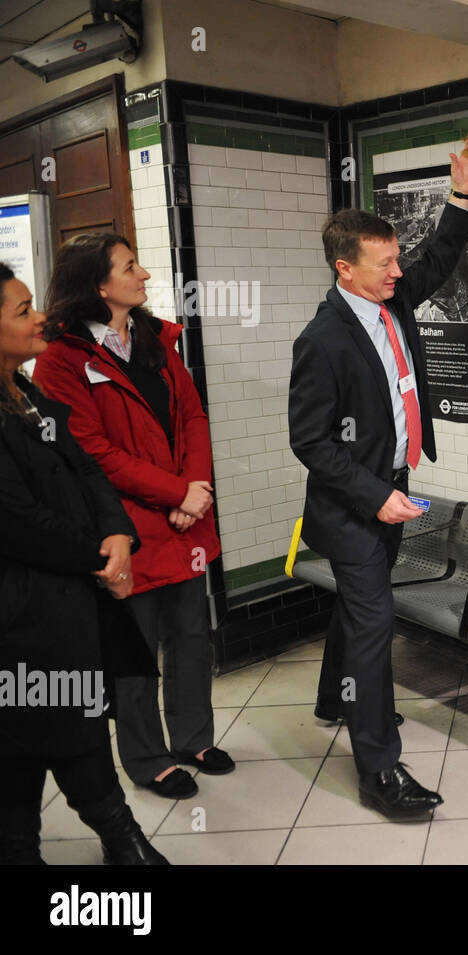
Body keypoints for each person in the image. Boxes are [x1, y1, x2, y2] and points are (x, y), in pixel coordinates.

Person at [289, 151, 468, 817]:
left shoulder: (391, 296)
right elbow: (311, 441)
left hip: (391, 491)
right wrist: (375, 494)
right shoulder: (322, 341)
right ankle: (380, 768)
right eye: (384, 264)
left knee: (357, 612)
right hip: (354, 511)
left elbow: (435, 259)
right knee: (376, 628)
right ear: (345, 269)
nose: (400, 272)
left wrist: (460, 195)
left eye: (396, 261)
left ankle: (328, 697)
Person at [33, 234, 229, 800]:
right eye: (130, 266)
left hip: (186, 517)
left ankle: (193, 737)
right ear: (98, 284)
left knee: (192, 636)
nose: (144, 275)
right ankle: (146, 758)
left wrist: (195, 489)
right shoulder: (62, 357)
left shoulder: (151, 337)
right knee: (137, 650)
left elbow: (192, 414)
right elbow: (91, 450)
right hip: (127, 525)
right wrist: (175, 492)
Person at [0, 263, 166, 864]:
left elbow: (88, 469)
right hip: (23, 620)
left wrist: (118, 535)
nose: (38, 315)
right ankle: (117, 842)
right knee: (50, 734)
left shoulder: (29, 392)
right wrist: (100, 557)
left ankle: (114, 842)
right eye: (21, 311)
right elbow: (15, 520)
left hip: (71, 605)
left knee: (67, 727)